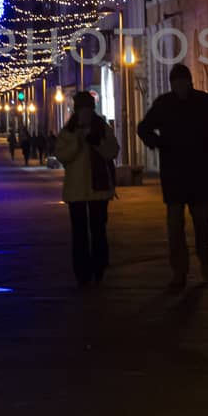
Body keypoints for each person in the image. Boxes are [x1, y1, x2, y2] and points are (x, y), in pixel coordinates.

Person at [137, 62, 208, 290]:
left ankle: (203, 262)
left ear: (188, 82)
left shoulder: (202, 102)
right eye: (177, 83)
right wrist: (158, 142)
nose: (180, 87)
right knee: (175, 228)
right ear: (173, 84)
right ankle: (180, 272)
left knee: (202, 224)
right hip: (176, 175)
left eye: (183, 82)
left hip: (197, 174)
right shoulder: (166, 104)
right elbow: (144, 128)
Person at [54, 90, 119, 286]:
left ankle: (99, 266)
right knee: (79, 233)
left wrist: (96, 142)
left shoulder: (102, 128)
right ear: (76, 111)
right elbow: (62, 155)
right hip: (77, 191)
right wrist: (78, 141)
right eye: (82, 110)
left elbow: (112, 151)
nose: (85, 113)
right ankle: (82, 271)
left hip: (98, 189)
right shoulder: (68, 131)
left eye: (88, 109)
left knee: (99, 230)